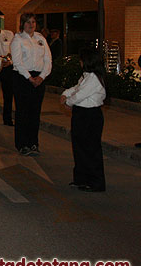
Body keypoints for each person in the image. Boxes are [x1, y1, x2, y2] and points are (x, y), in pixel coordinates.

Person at [61, 48, 107, 192]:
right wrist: (65, 94)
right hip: (81, 114)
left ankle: (96, 182)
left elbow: (80, 94)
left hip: (90, 115)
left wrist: (68, 102)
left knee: (90, 149)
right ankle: (81, 178)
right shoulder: (86, 76)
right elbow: (77, 88)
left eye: (81, 60)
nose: (80, 62)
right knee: (79, 147)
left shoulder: (94, 78)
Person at [11, 13, 52, 155]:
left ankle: (33, 142)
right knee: (23, 112)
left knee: (35, 113)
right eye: (28, 22)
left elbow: (48, 60)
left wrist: (41, 77)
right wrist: (30, 78)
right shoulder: (18, 39)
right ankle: (22, 144)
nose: (31, 25)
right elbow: (17, 62)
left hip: (39, 78)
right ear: (22, 24)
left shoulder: (41, 39)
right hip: (23, 78)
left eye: (33, 22)